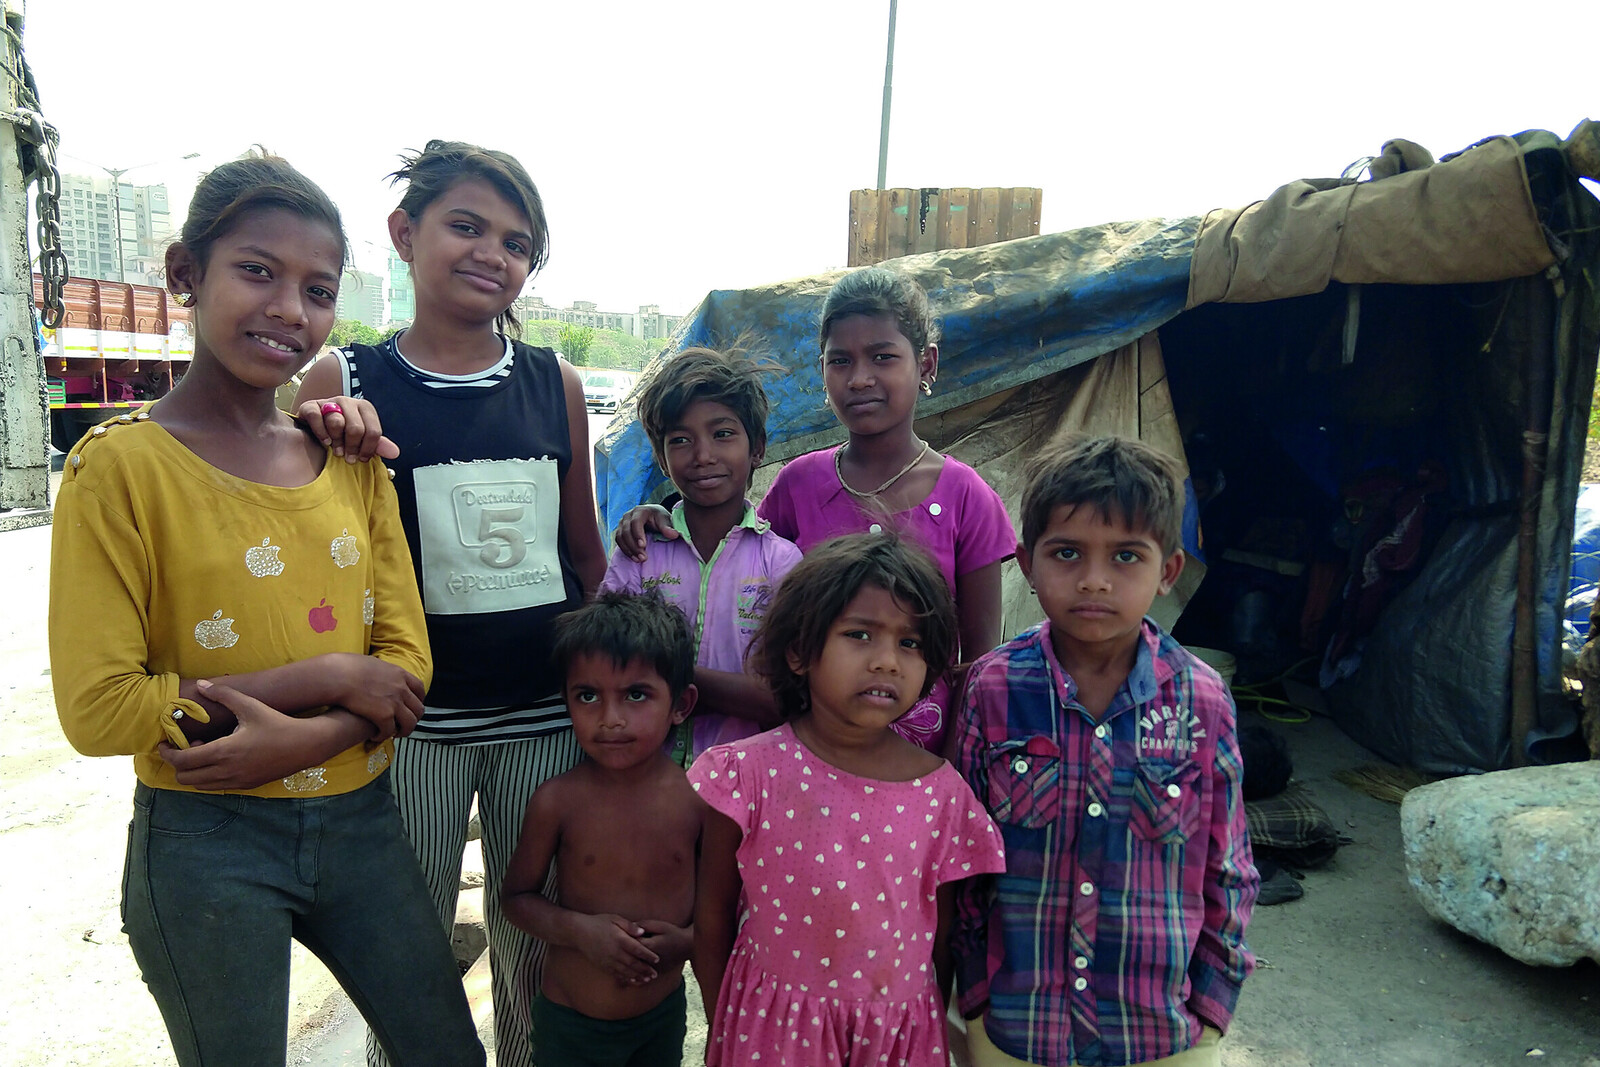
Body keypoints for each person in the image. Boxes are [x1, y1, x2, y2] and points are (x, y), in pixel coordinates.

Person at [48, 154, 482, 1066]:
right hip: (206, 839)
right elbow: (99, 709)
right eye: (257, 270)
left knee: (446, 1049)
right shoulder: (118, 469)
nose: (290, 307)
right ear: (183, 276)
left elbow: (406, 664)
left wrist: (311, 738)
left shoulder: (353, 460)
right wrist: (327, 679)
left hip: (362, 817)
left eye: (317, 289)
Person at [293, 140, 609, 1067]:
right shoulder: (343, 385)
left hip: (544, 719)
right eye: (465, 226)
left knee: (534, 939)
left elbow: (581, 554)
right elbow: (313, 563)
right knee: (409, 942)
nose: (490, 254)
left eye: (517, 243)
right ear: (404, 233)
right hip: (408, 725)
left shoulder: (558, 383)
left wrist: (610, 697)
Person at [949, 435, 1259, 1067]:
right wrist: (976, 990)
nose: (1094, 580)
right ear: (1026, 564)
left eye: (1125, 556)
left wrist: (1211, 1005)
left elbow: (1229, 868)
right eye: (1067, 553)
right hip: (1015, 1024)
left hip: (1159, 1030)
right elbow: (964, 858)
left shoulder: (1202, 699)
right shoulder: (993, 688)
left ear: (1168, 571)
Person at [616, 267, 1017, 755]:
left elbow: (977, 667)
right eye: (840, 361)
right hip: (802, 756)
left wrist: (951, 774)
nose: (860, 378)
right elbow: (732, 544)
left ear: (927, 364)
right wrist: (659, 513)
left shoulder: (968, 498)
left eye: (883, 357)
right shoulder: (799, 485)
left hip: (920, 761)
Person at [688, 533, 1006, 1067]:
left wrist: (925, 1025)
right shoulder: (747, 774)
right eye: (860, 634)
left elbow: (942, 937)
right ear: (798, 651)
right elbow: (713, 914)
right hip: (770, 1034)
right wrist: (731, 1019)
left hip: (897, 1038)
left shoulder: (944, 794)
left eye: (909, 644)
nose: (887, 661)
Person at [502, 591, 702, 1067]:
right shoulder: (557, 801)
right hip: (572, 1026)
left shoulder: (700, 801)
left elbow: (724, 907)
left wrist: (688, 942)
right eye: (587, 696)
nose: (610, 719)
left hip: (661, 1018)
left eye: (636, 695)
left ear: (681, 704)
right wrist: (580, 932)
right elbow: (516, 900)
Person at [599, 346, 800, 764]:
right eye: (681, 440)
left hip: (747, 783)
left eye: (723, 433)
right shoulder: (638, 553)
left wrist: (667, 680)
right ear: (661, 458)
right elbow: (606, 669)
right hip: (644, 777)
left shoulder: (781, 564)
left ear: (757, 448)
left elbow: (785, 699)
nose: (704, 455)